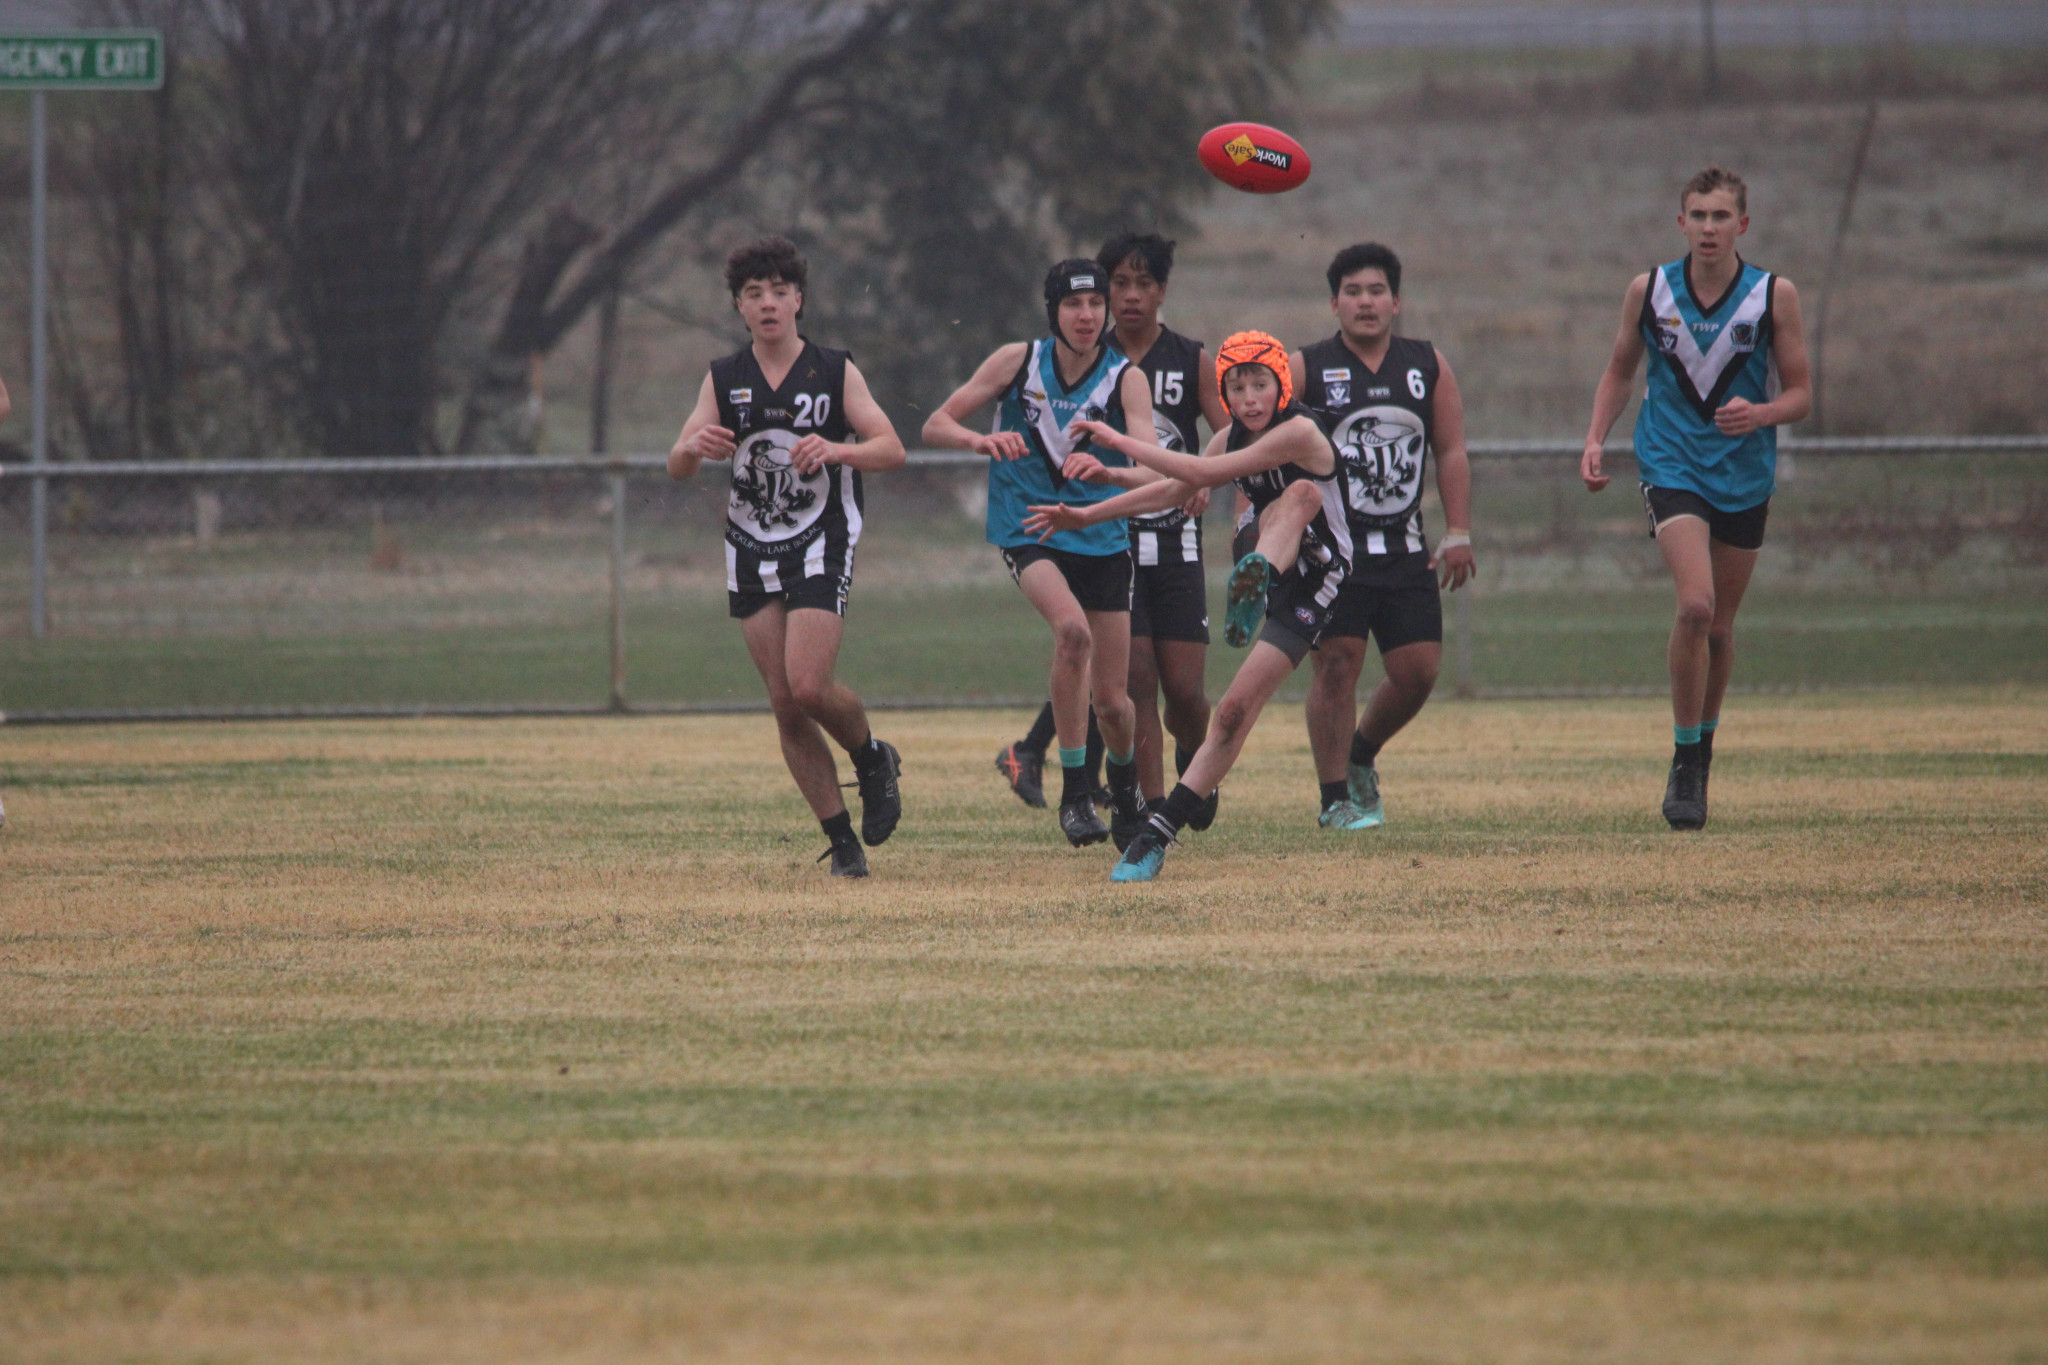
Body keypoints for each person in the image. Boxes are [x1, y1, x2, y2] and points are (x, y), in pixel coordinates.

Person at [1027, 331, 1351, 883]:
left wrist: (1114, 438)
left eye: (1260, 384)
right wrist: (1089, 515)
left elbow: (1199, 477)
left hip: (1316, 581)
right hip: (1269, 558)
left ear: (1282, 385)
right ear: (1225, 395)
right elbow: (1173, 489)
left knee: (1299, 497)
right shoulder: (1226, 438)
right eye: (1237, 387)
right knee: (1226, 713)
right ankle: (1156, 838)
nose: (1250, 398)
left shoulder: (1299, 430)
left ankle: (1256, 579)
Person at [668, 237, 906, 877]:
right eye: (754, 294)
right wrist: (696, 446)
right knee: (783, 701)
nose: (768, 303)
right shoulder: (725, 378)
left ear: (799, 300)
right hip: (751, 544)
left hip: (821, 538)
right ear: (739, 308)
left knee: (808, 684)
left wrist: (838, 450)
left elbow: (890, 447)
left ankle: (871, 756)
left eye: (779, 291)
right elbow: (677, 465)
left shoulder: (832, 370)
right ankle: (843, 843)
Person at [1581, 165, 1811, 829]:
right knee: (1695, 603)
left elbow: (1799, 394)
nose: (1709, 228)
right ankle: (1684, 759)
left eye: (1721, 216)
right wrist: (1596, 437)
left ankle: (1704, 748)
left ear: (1743, 223)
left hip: (1743, 471)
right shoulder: (1650, 290)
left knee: (1720, 625)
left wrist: (1760, 415)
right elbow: (1621, 369)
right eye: (1697, 216)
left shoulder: (1773, 295)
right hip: (1670, 459)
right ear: (1680, 222)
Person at [993, 234, 1229, 828]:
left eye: (1142, 284)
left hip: (1172, 537)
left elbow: (1234, 431)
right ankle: (1148, 807)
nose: (1126, 297)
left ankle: (1193, 764)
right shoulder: (1075, 355)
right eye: (1115, 285)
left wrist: (1204, 473)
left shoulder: (1187, 358)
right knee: (1126, 679)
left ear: (1162, 291)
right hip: (1107, 534)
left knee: (1184, 691)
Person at [924, 259, 1156, 849]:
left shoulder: (1124, 377)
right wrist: (978, 438)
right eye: (1074, 305)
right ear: (1053, 310)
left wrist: (1108, 469)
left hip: (1101, 536)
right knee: (1071, 633)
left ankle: (1125, 790)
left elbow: (1152, 466)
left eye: (1096, 305)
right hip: (1030, 529)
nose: (1087, 316)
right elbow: (935, 424)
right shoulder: (1016, 362)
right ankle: (1076, 795)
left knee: (1114, 703)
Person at [1291, 244, 1475, 831]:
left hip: (1403, 548)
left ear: (1396, 301)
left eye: (1376, 291)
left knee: (1418, 671)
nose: (1365, 302)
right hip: (1335, 551)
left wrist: (1460, 530)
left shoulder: (1427, 365)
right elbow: (1270, 447)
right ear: (1333, 303)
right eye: (1352, 292)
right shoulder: (1306, 367)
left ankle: (1361, 753)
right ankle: (1333, 800)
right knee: (1337, 666)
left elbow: (1450, 450)